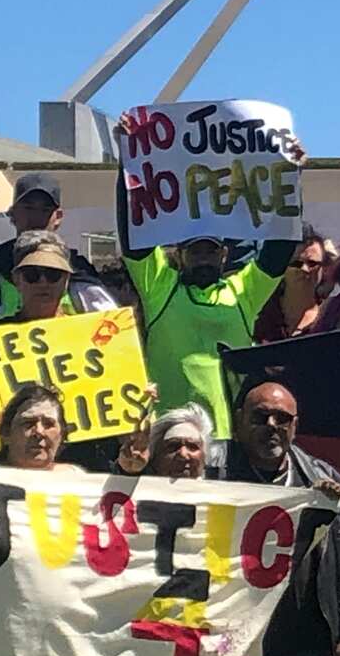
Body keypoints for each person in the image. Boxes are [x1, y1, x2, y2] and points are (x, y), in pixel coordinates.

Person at [115, 120, 303, 438]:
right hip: (168, 433)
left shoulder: (243, 293)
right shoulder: (160, 288)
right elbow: (135, 231)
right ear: (180, 254)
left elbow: (279, 250)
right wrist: (127, 161)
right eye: (194, 251)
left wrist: (290, 176)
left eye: (211, 251)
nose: (203, 257)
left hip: (227, 434)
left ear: (224, 256)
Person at [205, 379, 340, 656]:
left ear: (296, 425)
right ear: (239, 420)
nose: (272, 426)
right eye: (261, 417)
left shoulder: (326, 483)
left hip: (300, 643)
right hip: (229, 642)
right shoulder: (211, 473)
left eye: (282, 418)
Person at [0, 172, 113, 317]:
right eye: (28, 208)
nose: (36, 217)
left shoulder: (80, 271)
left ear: (59, 217)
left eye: (45, 210)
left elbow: (111, 327)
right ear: (12, 213)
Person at [253, 226, 327, 343]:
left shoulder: (331, 316)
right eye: (296, 263)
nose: (305, 269)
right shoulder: (259, 316)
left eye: (313, 263)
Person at [0, 384, 82, 472]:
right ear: (5, 433)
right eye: (29, 423)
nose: (39, 431)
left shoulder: (75, 480)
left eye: (49, 424)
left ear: (62, 435)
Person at [118, 403, 213, 479]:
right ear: (155, 456)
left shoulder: (218, 498)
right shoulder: (140, 497)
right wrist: (128, 469)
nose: (183, 454)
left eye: (192, 446)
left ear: (204, 458)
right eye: (172, 446)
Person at [0, 231, 74, 323]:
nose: (43, 282)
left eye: (53, 274)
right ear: (16, 279)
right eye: (32, 274)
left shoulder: (88, 331)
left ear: (66, 279)